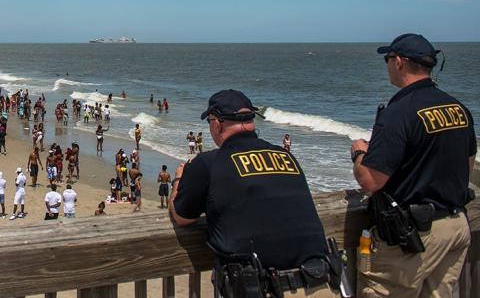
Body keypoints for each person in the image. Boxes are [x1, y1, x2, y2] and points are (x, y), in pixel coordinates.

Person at [170, 90, 338, 298]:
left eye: (210, 122)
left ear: (217, 123)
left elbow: (182, 216)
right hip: (319, 283)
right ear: (251, 121)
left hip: (261, 287)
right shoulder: (286, 156)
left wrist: (179, 178)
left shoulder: (208, 163)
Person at [352, 33, 476, 298]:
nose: (387, 66)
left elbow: (371, 181)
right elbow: (467, 164)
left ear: (399, 62)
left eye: (387, 59)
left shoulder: (399, 113)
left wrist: (359, 154)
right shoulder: (457, 108)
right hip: (455, 225)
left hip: (413, 237)